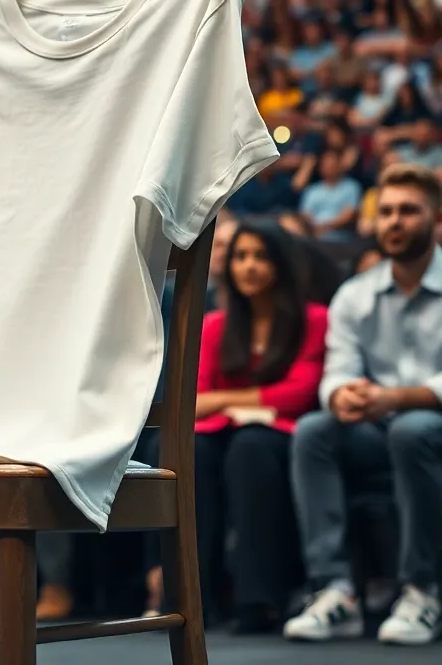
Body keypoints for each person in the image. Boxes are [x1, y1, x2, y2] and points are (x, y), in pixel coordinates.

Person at [283, 164, 442, 646]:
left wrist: (396, 398)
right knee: (314, 431)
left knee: (412, 429)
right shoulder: (354, 294)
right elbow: (337, 373)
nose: (394, 221)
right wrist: (343, 395)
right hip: (380, 427)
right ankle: (336, 592)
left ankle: (420, 590)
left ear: (439, 221)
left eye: (409, 211)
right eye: (386, 211)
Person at [140, 221, 327, 632]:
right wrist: (241, 401)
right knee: (190, 451)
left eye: (261, 256)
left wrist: (226, 401)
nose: (249, 266)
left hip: (279, 436)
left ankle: (258, 599)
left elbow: (299, 394)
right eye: (241, 257)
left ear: (281, 264)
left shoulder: (313, 320)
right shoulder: (214, 325)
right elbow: (195, 400)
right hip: (221, 432)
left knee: (251, 449)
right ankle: (191, 597)